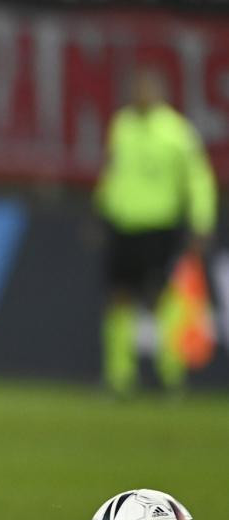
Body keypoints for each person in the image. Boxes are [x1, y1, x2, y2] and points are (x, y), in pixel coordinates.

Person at [94, 67, 217, 396]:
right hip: (123, 224)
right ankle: (119, 377)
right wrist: (102, 209)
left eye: (146, 88)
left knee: (162, 300)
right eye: (136, 88)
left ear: (160, 92)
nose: (140, 94)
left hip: (160, 226)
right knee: (117, 298)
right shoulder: (121, 126)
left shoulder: (177, 132)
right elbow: (112, 172)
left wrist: (202, 221)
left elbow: (198, 179)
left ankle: (170, 375)